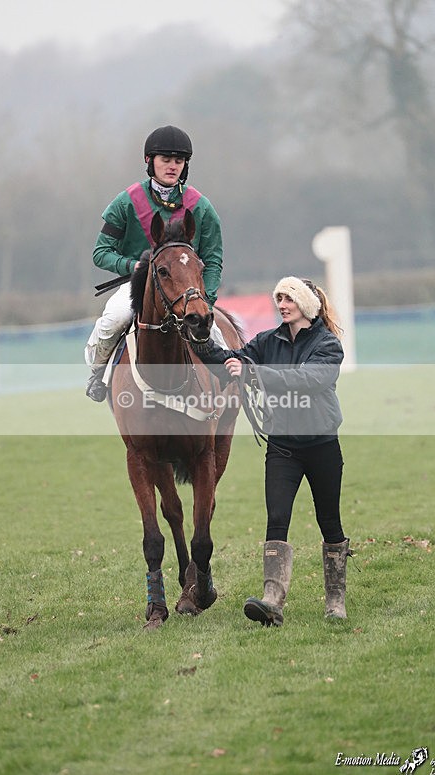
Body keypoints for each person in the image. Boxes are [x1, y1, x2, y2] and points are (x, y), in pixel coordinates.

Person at [191, 276, 352, 626]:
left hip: (322, 445)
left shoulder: (328, 345)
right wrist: (201, 337)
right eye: (278, 298)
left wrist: (254, 371)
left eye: (288, 298)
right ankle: (272, 601)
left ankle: (336, 600)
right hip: (282, 447)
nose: (281, 305)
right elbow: (230, 360)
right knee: (276, 520)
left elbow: (308, 380)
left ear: (306, 304)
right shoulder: (268, 340)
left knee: (330, 523)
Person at [85, 125, 224, 401]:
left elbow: (213, 260)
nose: (172, 166)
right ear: (150, 161)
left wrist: (206, 300)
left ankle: (235, 382)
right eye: (165, 159)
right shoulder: (126, 202)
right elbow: (101, 252)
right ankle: (97, 374)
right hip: (138, 284)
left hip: (188, 288)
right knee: (115, 319)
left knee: (217, 336)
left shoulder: (202, 207)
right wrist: (131, 266)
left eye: (178, 161)